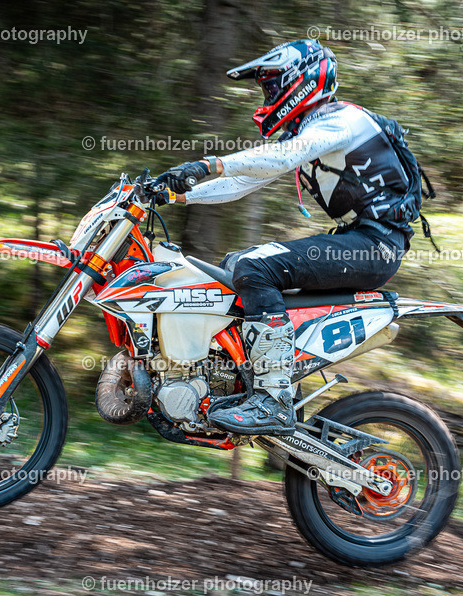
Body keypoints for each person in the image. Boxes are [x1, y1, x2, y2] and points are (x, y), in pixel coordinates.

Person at [156, 39, 418, 436]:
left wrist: (209, 164)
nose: (269, 96)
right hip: (362, 240)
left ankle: (273, 399)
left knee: (253, 267)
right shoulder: (315, 128)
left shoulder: (341, 121)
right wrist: (175, 194)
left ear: (303, 81)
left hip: (377, 246)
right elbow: (243, 182)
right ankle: (235, 384)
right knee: (233, 267)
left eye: (273, 85)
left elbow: (275, 159)